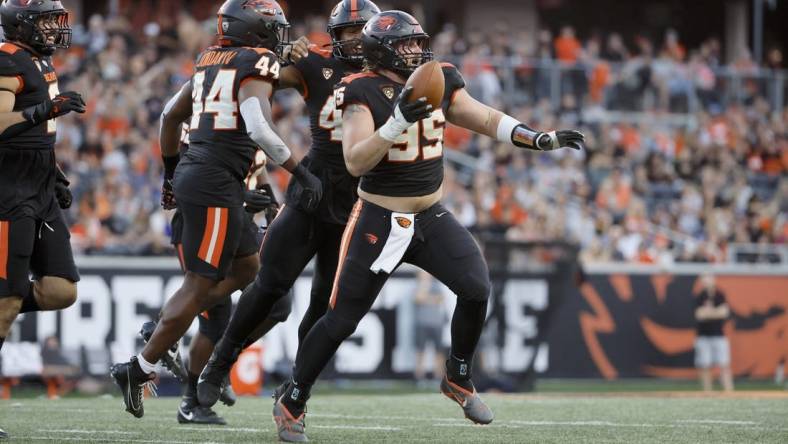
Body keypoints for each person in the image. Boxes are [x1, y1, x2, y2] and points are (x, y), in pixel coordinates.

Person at [268, 10, 585, 442]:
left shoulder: (440, 78)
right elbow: (356, 160)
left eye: (418, 42)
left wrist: (538, 138)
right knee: (340, 319)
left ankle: (457, 375)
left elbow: (487, 119)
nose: (417, 51)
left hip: (430, 216)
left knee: (476, 287)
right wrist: (397, 121)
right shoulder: (358, 88)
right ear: (382, 50)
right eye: (407, 44)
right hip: (379, 216)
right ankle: (293, 399)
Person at [110, 0, 322, 419]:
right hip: (214, 179)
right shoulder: (255, 60)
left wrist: (171, 172)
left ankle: (172, 323)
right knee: (200, 285)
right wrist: (300, 172)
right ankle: (140, 365)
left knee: (249, 269)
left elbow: (170, 115)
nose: (276, 35)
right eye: (271, 27)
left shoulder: (210, 58)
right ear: (254, 30)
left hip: (207, 176)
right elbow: (259, 126)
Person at [195, 0, 382, 408]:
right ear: (335, 35)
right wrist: (282, 52)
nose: (353, 39)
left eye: (360, 30)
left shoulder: (391, 73)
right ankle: (218, 364)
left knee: (324, 301)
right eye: (346, 31)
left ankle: (297, 386)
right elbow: (255, 81)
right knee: (269, 283)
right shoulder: (315, 63)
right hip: (314, 185)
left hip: (360, 196)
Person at [138, 124, 291, 425]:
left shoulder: (249, 116)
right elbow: (190, 182)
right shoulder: (203, 123)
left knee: (278, 303)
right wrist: (242, 196)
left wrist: (270, 203)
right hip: (204, 222)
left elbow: (259, 171)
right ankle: (191, 398)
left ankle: (215, 359)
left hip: (240, 224)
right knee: (214, 320)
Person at [0, 0, 85, 439]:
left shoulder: (37, 62)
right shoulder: (7, 60)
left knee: (60, 289)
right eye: (47, 21)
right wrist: (41, 112)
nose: (55, 29)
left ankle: (6, 298)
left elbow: (38, 137)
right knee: (8, 299)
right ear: (22, 25)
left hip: (38, 188)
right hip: (8, 193)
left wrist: (55, 174)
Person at [694, 273, 734, 392]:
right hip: (703, 336)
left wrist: (709, 313)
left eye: (709, 278)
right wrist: (716, 312)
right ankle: (707, 392)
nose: (707, 281)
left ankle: (729, 392)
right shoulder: (699, 296)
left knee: (724, 365)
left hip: (719, 335)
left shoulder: (720, 294)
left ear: (713, 280)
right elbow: (699, 315)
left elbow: (725, 312)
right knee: (705, 366)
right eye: (704, 278)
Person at [413, 271, 447, 387]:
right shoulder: (417, 285)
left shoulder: (436, 284)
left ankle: (439, 377)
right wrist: (429, 296)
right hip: (421, 323)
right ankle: (419, 378)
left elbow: (441, 298)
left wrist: (426, 299)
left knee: (439, 352)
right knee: (420, 351)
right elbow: (417, 299)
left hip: (437, 323)